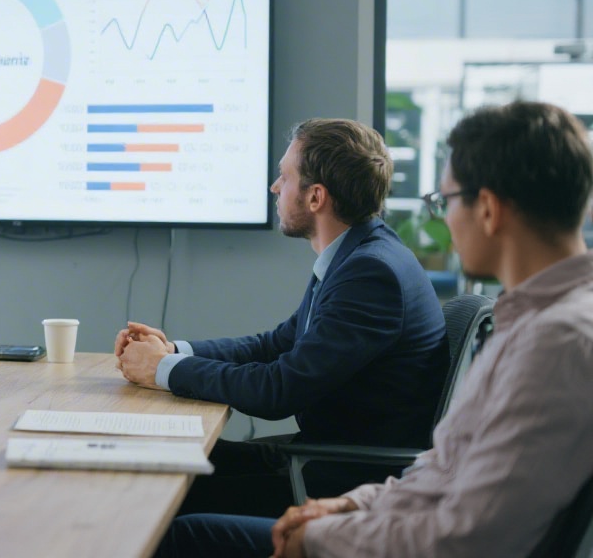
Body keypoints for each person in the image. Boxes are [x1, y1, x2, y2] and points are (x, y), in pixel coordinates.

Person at [163, 101, 593, 558]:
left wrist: (323, 536)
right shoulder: (531, 321)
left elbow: (469, 537)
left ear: (487, 209)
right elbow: (443, 469)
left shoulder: (557, 344)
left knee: (185, 532)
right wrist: (351, 504)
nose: (441, 218)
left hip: (395, 528)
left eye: (443, 201)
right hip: (381, 504)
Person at [116, 118, 445, 517]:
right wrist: (172, 350)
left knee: (163, 498)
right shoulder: (357, 256)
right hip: (321, 457)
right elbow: (277, 344)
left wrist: (163, 369)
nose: (274, 187)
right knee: (163, 460)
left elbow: (278, 390)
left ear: (315, 197)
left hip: (336, 481)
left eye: (284, 177)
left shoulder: (371, 274)